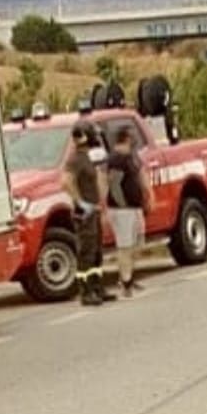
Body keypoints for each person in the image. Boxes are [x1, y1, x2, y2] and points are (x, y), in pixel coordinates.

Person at [62, 121, 113, 306]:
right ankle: (85, 292)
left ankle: (97, 287)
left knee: (96, 251)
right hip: (84, 213)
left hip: (94, 211)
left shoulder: (88, 157)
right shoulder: (75, 159)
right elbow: (66, 182)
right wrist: (80, 203)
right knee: (86, 252)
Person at [105, 127, 151, 297]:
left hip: (134, 207)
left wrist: (146, 196)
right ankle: (126, 282)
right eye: (131, 137)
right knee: (124, 246)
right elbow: (114, 185)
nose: (134, 139)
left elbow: (140, 175)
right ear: (125, 139)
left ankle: (127, 274)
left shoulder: (131, 156)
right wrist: (122, 204)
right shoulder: (117, 159)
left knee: (138, 243)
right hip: (122, 209)